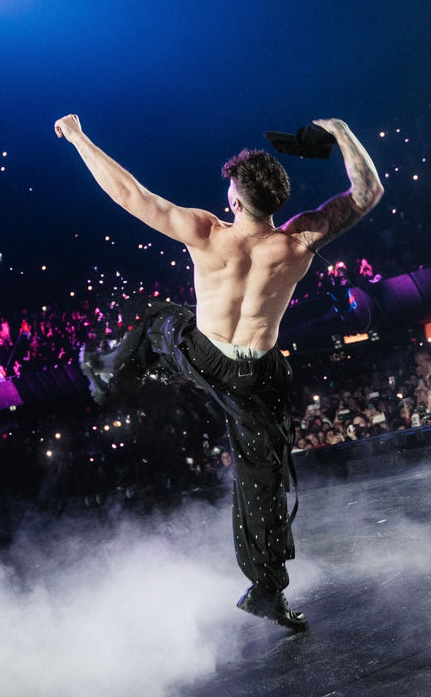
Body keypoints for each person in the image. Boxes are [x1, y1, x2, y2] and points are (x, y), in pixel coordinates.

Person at [54, 114, 383, 631]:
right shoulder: (299, 242)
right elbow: (367, 191)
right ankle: (267, 590)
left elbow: (130, 194)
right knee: (263, 477)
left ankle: (108, 371)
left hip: (203, 356)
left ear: (235, 201)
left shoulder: (207, 232)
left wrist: (78, 138)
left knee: (161, 320)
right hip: (257, 377)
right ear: (275, 202)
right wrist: (341, 130)